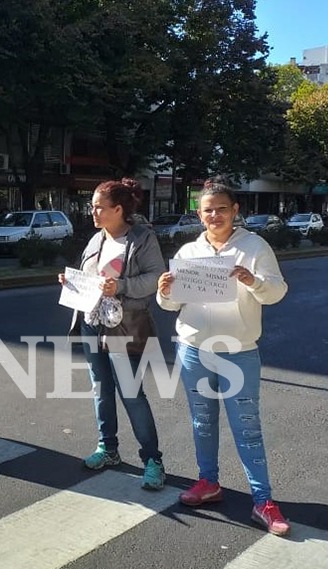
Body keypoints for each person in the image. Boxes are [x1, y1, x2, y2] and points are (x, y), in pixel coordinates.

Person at [156, 178, 290, 536]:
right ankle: (208, 482)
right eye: (207, 210)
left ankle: (263, 500)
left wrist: (252, 281)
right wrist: (164, 292)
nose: (214, 215)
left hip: (238, 352)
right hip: (193, 349)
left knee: (247, 427)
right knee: (202, 422)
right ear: (199, 215)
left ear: (235, 211)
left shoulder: (254, 246)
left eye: (221, 208)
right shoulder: (188, 252)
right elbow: (172, 305)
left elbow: (276, 292)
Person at [58, 178, 167, 490]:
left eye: (99, 207)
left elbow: (155, 278)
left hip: (125, 326)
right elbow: (89, 278)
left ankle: (153, 460)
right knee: (100, 388)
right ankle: (108, 448)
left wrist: (120, 286)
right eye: (92, 206)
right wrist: (71, 282)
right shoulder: (96, 240)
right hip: (92, 323)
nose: (93, 212)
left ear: (119, 209)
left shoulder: (142, 239)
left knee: (131, 393)